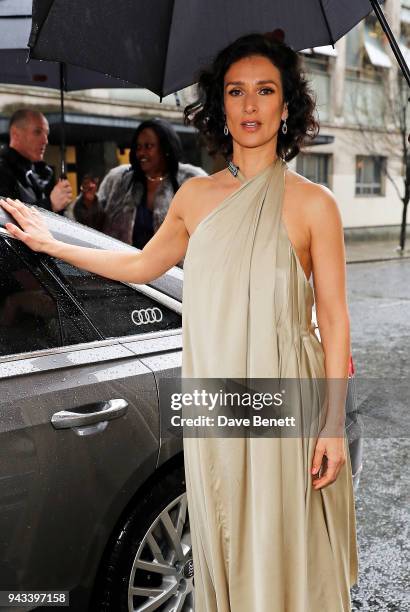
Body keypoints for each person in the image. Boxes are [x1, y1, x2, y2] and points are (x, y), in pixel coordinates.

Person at [1, 32, 358, 612]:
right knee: (226, 538)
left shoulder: (317, 204)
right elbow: (141, 265)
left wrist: (335, 424)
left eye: (265, 91)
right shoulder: (194, 198)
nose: (249, 105)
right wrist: (55, 243)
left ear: (287, 106)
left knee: (285, 546)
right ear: (219, 105)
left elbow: (335, 318)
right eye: (236, 91)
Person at [87, 118, 206, 247]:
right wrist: (89, 203)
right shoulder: (119, 179)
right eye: (138, 147)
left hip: (173, 266)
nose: (141, 153)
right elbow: (95, 227)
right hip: (122, 263)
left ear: (165, 148)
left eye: (148, 146)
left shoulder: (191, 179)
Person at [0, 109, 72, 212]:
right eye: (38, 132)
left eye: (46, 133)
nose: (45, 140)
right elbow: (6, 218)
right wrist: (50, 203)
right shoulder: (3, 171)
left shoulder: (41, 173)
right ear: (15, 134)